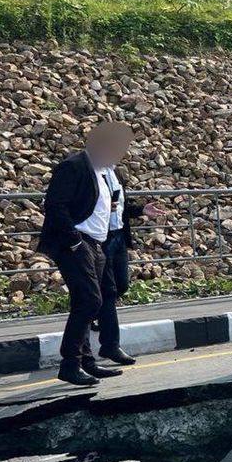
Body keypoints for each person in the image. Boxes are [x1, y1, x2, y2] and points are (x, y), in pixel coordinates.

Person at [36, 122, 138, 386]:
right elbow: (55, 206)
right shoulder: (74, 166)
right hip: (77, 244)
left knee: (99, 298)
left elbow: (109, 206)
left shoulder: (103, 171)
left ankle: (87, 363)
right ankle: (70, 364)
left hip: (96, 244)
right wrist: (74, 242)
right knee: (89, 301)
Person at [93, 157, 163, 366]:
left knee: (122, 285)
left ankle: (93, 312)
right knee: (109, 291)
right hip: (100, 238)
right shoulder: (90, 174)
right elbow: (83, 206)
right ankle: (110, 346)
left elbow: (121, 206)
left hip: (118, 238)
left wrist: (140, 210)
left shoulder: (118, 173)